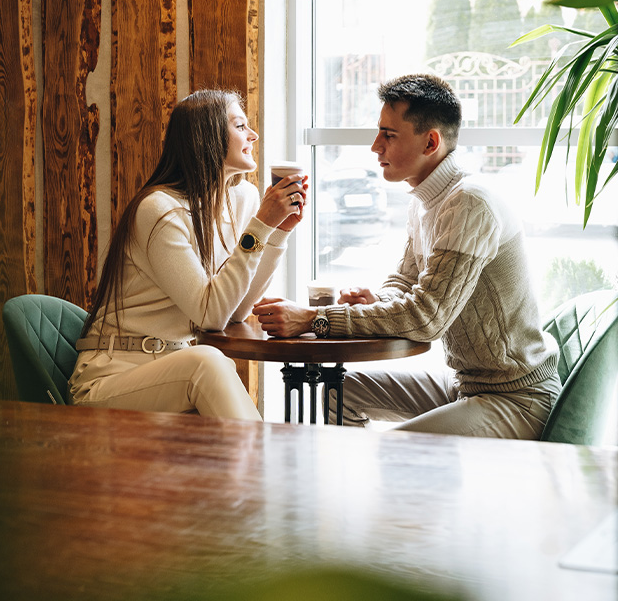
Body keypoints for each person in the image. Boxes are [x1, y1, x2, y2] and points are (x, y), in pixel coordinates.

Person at [252, 73, 561, 438]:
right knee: (341, 392)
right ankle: (345, 494)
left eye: (389, 135)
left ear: (431, 142)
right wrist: (377, 300)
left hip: (517, 399)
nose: (375, 147)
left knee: (398, 451)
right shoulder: (425, 200)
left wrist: (314, 319)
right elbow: (405, 282)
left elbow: (426, 317)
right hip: (465, 384)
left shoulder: (469, 203)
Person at [70, 89, 307, 421]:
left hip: (173, 370)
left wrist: (277, 231)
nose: (253, 135)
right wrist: (260, 228)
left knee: (208, 362)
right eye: (240, 126)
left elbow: (235, 312)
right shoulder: (160, 209)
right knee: (207, 362)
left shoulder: (243, 199)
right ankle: (267, 469)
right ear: (206, 137)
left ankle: (261, 468)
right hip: (114, 377)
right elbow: (210, 314)